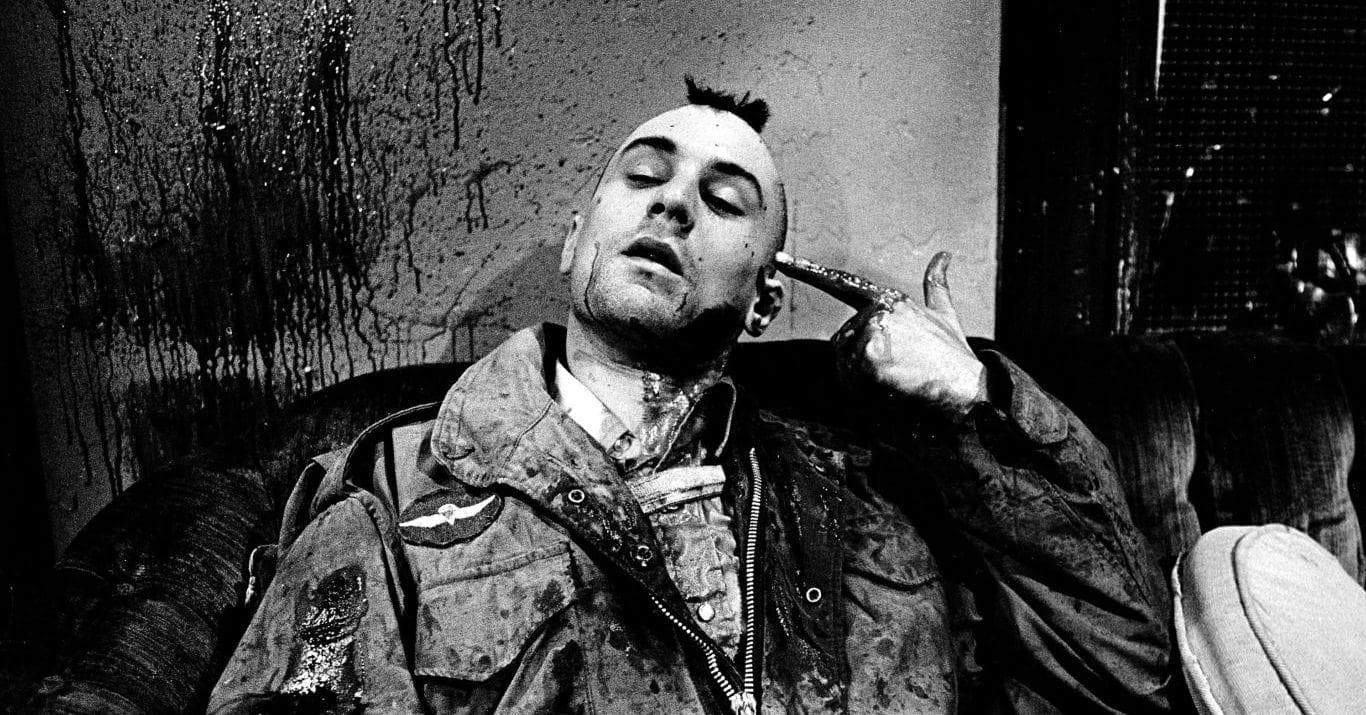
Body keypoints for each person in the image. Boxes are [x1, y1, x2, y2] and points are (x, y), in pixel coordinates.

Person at [209, 79, 1176, 713]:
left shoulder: (869, 499)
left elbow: (1122, 668)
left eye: (724, 199)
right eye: (645, 176)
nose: (673, 202)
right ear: (575, 241)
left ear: (764, 301)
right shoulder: (395, 492)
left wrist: (972, 401)